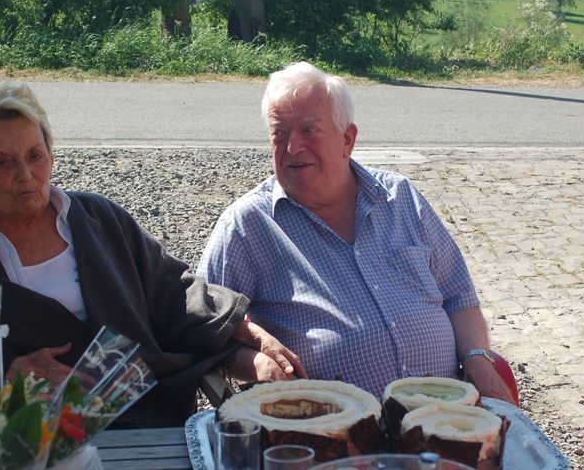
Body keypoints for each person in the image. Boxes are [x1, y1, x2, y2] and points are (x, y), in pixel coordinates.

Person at [0, 83, 303, 430]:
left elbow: (172, 292)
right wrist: (2, 372)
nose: (25, 174)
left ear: (51, 157)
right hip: (7, 431)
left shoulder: (98, 218)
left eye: (35, 155)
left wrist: (249, 335)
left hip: (129, 416)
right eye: (2, 163)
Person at [197, 62, 513, 403]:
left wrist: (478, 360)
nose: (292, 147)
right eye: (280, 133)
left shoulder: (400, 197)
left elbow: (459, 297)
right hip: (330, 428)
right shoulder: (248, 225)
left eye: (309, 130)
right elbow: (202, 328)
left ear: (347, 138)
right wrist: (258, 362)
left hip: (445, 417)